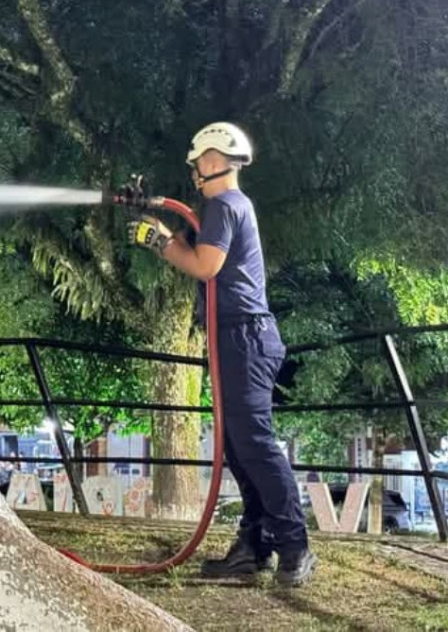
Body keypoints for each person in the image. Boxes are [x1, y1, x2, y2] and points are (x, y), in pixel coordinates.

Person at [128, 122, 316, 586]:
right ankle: (253, 546)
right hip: (241, 338)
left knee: (253, 443)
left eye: (196, 163)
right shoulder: (229, 206)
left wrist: (158, 243)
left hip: (245, 338)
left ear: (212, 159)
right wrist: (162, 230)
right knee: (239, 446)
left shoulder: (224, 204)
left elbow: (205, 265)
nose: (194, 171)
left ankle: (295, 547)